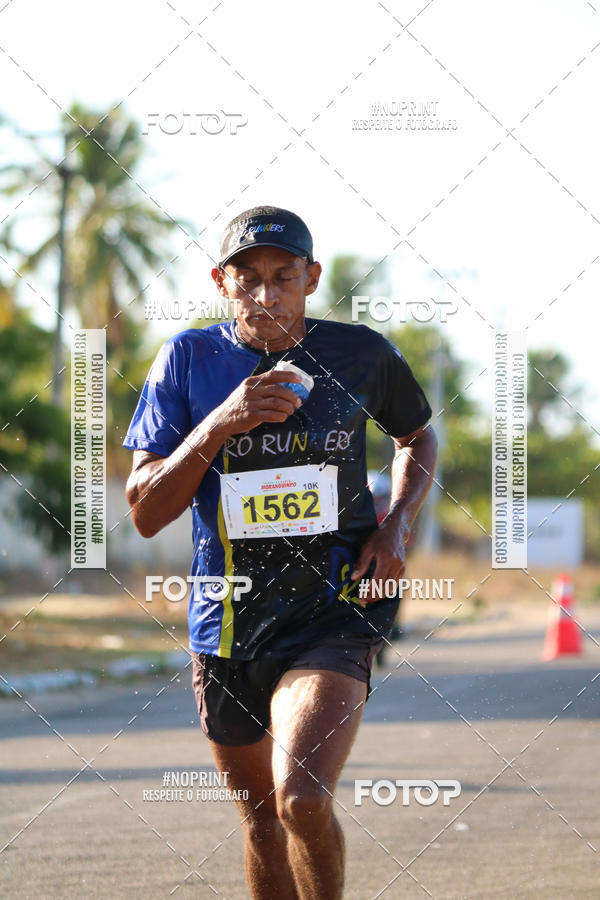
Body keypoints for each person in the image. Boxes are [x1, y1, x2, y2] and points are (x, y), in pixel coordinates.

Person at [124, 205, 437, 899]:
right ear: (221, 282)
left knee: (300, 798)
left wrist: (397, 527)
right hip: (228, 616)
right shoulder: (188, 360)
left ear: (311, 277)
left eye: (284, 277)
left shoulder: (360, 353)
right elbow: (145, 511)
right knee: (262, 820)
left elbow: (416, 435)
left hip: (336, 607)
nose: (267, 295)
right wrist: (219, 422)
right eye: (249, 279)